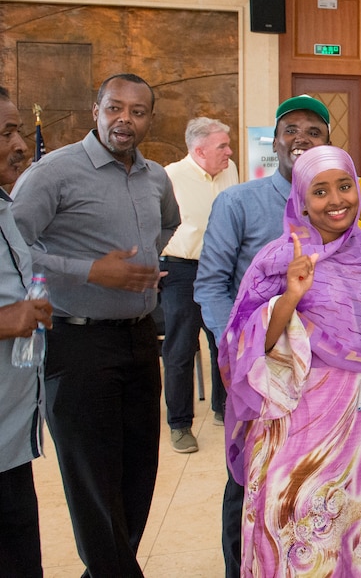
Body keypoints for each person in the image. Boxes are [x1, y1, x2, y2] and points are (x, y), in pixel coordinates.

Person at [220, 145, 361, 575]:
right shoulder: (278, 259)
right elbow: (244, 347)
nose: (336, 201)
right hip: (295, 434)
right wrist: (290, 296)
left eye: (345, 186)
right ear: (301, 199)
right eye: (320, 191)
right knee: (297, 543)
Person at [11, 73, 180, 577]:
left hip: (137, 339)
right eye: (114, 108)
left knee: (136, 479)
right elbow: (14, 252)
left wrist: (146, 258)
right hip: (75, 341)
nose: (124, 119)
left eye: (137, 111)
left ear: (150, 118)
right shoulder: (54, 172)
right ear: (96, 110)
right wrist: (91, 270)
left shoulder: (155, 177)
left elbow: (167, 222)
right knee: (93, 486)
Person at [194, 94, 331, 578]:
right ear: (275, 141)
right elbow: (211, 284)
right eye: (291, 130)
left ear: (328, 143)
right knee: (247, 479)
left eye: (314, 132)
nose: (301, 139)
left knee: (306, 480)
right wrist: (235, 351)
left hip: (323, 379)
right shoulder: (238, 201)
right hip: (256, 368)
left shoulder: (335, 201)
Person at [160, 117, 239, 453]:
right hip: (181, 271)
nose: (229, 151)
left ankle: (224, 409)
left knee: (224, 342)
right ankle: (180, 425)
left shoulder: (231, 170)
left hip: (222, 270)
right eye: (222, 145)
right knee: (180, 349)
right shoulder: (170, 176)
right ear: (199, 150)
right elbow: (154, 222)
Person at [0, 85, 53, 578]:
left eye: (19, 130)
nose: (21, 144)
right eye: (7, 132)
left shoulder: (4, 205)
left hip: (12, 437)